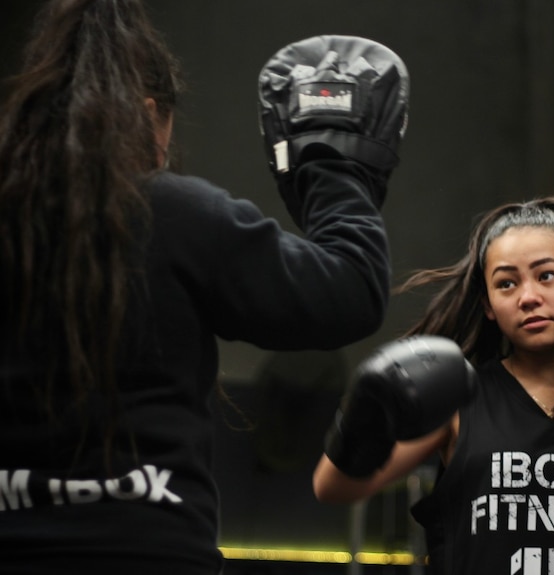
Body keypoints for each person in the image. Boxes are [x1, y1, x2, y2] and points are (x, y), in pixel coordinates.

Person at [0, 1, 407, 573]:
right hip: (150, 553)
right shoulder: (175, 213)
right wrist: (329, 166)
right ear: (146, 116)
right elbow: (351, 290)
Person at [313, 196, 554, 574]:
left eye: (546, 275)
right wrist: (361, 414)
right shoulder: (460, 399)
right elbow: (333, 487)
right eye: (506, 284)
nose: (528, 297)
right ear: (488, 304)